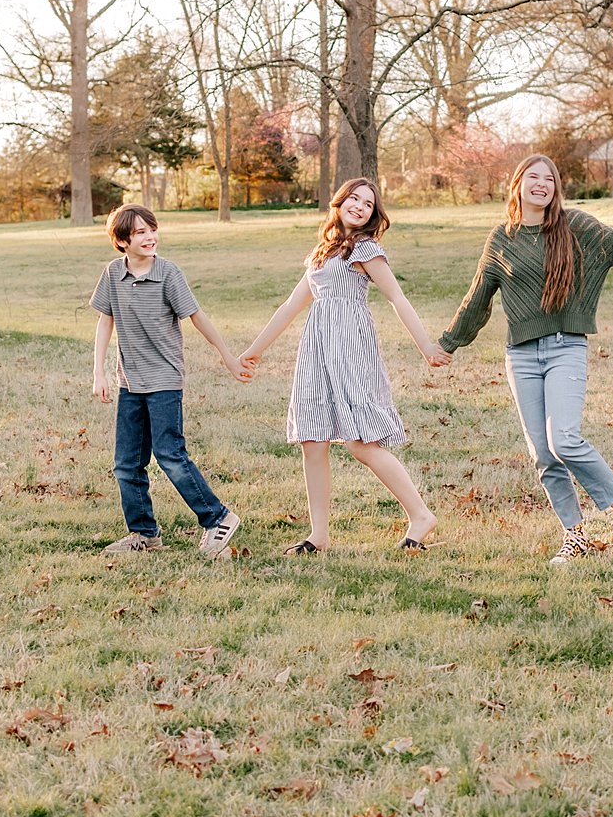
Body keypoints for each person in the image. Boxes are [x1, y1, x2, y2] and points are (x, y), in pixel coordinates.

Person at [437, 154, 613, 565]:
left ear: (556, 188)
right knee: (543, 455)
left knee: (563, 439)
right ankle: (574, 535)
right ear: (518, 185)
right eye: (533, 177)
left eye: (549, 178)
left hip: (566, 347)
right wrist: (447, 343)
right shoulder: (501, 239)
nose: (541, 184)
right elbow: (478, 298)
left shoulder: (579, 228)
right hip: (522, 355)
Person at [237, 178, 446, 555]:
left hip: (350, 347)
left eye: (368, 203)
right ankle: (318, 535)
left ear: (372, 214)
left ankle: (420, 514)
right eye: (354, 198)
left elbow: (397, 297)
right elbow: (290, 306)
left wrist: (427, 347)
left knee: (360, 442)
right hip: (318, 350)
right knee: (312, 440)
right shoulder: (324, 250)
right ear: (340, 201)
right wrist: (254, 351)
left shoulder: (365, 249)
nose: (359, 206)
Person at [89, 203, 244, 559]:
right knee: (126, 463)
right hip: (130, 382)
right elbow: (104, 321)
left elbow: (196, 316)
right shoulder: (113, 274)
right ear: (122, 241)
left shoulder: (168, 274)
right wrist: (99, 371)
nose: (150, 237)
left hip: (164, 381)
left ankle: (218, 517)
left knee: (170, 455)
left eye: (152, 230)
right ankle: (143, 533)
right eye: (140, 232)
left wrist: (227, 356)